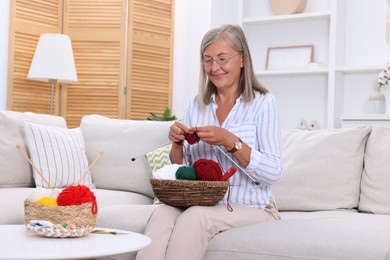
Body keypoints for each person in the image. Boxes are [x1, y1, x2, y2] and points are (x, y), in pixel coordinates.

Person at [136, 24, 283, 260]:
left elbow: (273, 172)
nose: (214, 68)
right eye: (207, 60)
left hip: (254, 206)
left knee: (195, 217)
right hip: (202, 201)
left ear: (242, 59)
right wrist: (177, 144)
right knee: (162, 214)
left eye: (222, 58)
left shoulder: (263, 103)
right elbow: (181, 170)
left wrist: (231, 141)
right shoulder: (196, 104)